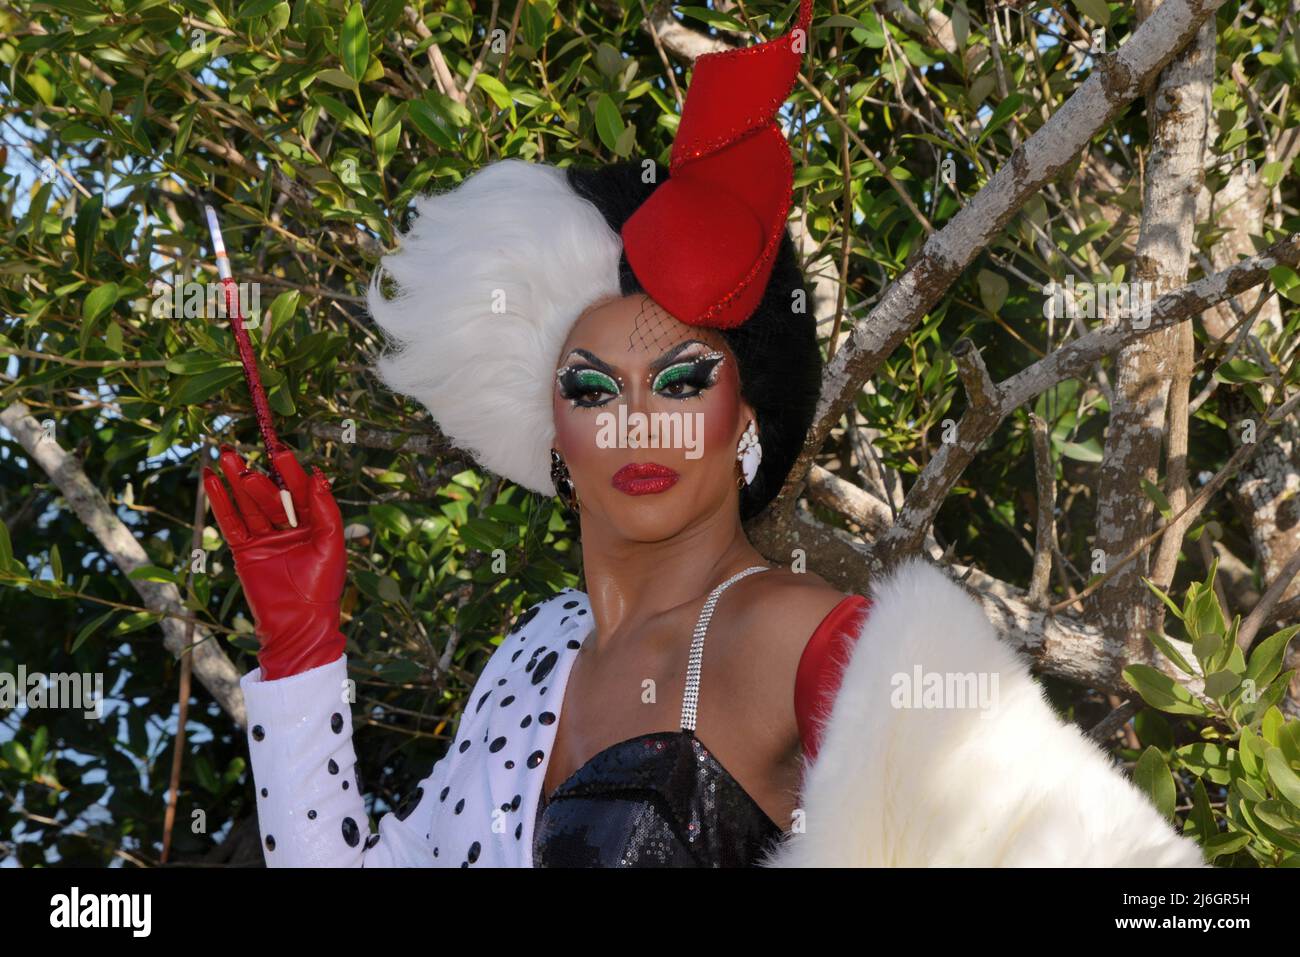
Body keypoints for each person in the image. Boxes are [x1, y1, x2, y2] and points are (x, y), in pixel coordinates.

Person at [204, 0, 1204, 868]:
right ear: (549, 430)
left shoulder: (800, 635)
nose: (636, 418)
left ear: (745, 423)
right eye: (593, 390)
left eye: (680, 381)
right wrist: (301, 651)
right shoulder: (532, 659)